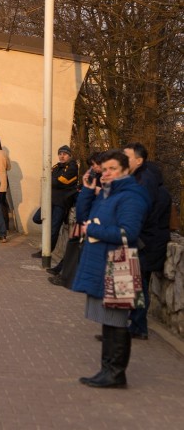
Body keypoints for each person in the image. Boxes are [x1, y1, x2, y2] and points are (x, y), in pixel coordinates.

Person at [71, 150, 149, 388]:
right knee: (109, 320)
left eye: (112, 169)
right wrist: (86, 189)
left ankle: (115, 373)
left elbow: (127, 233)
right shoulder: (108, 194)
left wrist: (93, 231)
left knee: (116, 320)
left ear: (126, 170)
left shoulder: (130, 197)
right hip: (106, 261)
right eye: (104, 169)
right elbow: (83, 216)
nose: (107, 173)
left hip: (119, 263)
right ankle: (108, 370)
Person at [122, 142, 172, 341]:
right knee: (136, 284)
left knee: (139, 285)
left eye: (127, 157)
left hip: (147, 244)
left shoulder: (146, 184)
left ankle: (139, 326)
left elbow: (144, 217)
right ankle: (134, 324)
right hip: (145, 242)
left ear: (139, 160)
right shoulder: (142, 180)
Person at [49, 152, 104, 287]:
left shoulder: (105, 181)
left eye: (96, 164)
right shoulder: (94, 177)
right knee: (73, 247)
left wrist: (95, 191)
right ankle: (63, 273)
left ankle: (65, 276)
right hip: (86, 219)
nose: (95, 167)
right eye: (92, 165)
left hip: (93, 222)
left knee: (76, 249)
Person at [32, 145, 79, 258]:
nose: (62, 156)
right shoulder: (56, 166)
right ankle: (46, 245)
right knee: (37, 218)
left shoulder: (72, 167)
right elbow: (47, 178)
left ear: (69, 155)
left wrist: (52, 180)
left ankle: (46, 251)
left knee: (54, 228)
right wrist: (52, 180)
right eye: (60, 154)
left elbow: (61, 181)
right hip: (50, 200)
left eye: (65, 154)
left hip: (62, 201)